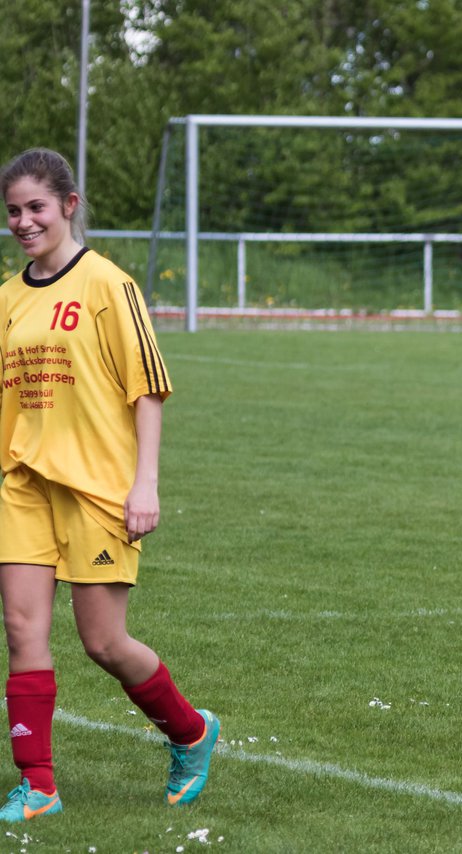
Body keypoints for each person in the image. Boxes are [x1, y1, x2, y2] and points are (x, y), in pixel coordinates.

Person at [0, 148, 219, 821]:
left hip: (96, 488)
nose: (23, 222)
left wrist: (144, 484)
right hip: (21, 484)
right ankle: (38, 783)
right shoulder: (7, 298)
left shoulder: (107, 284)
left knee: (103, 643)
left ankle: (191, 732)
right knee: (21, 627)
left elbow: (147, 389)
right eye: (13, 211)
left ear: (69, 204)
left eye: (36, 207)